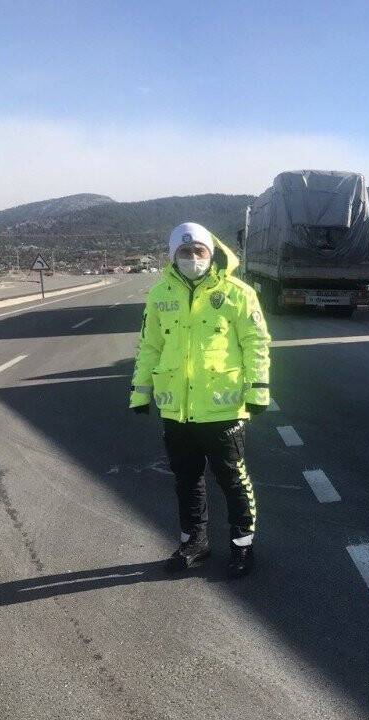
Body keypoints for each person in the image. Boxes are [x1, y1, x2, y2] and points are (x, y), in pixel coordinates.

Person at [129, 222, 271, 577]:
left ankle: (242, 547)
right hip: (176, 410)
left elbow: (256, 344)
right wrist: (139, 392)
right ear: (172, 256)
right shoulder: (160, 293)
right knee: (187, 480)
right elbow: (150, 346)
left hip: (223, 408)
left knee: (233, 480)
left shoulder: (238, 293)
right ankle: (194, 542)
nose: (192, 258)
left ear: (211, 254)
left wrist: (257, 391)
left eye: (199, 252)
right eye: (184, 252)